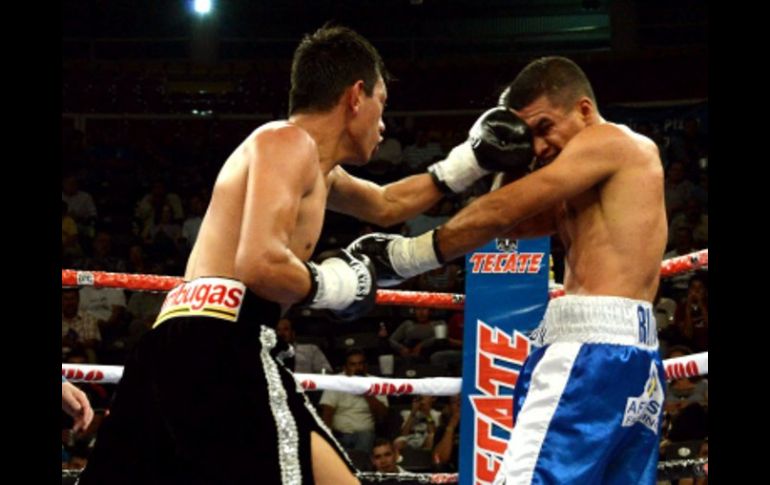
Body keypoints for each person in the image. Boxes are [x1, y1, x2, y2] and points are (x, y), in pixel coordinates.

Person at [79, 25, 524, 485]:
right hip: (221, 340)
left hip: (195, 339)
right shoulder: (287, 142)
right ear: (356, 96)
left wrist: (471, 160)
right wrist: (335, 284)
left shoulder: (315, 168)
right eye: (382, 103)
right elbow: (260, 263)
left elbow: (388, 204)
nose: (384, 122)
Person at [351, 56, 668, 484]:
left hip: (590, 351)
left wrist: (410, 256)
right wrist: (506, 159)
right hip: (634, 359)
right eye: (528, 136)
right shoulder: (591, 181)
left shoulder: (608, 140)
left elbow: (500, 211)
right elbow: (514, 225)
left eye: (543, 127)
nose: (538, 147)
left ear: (584, 110)